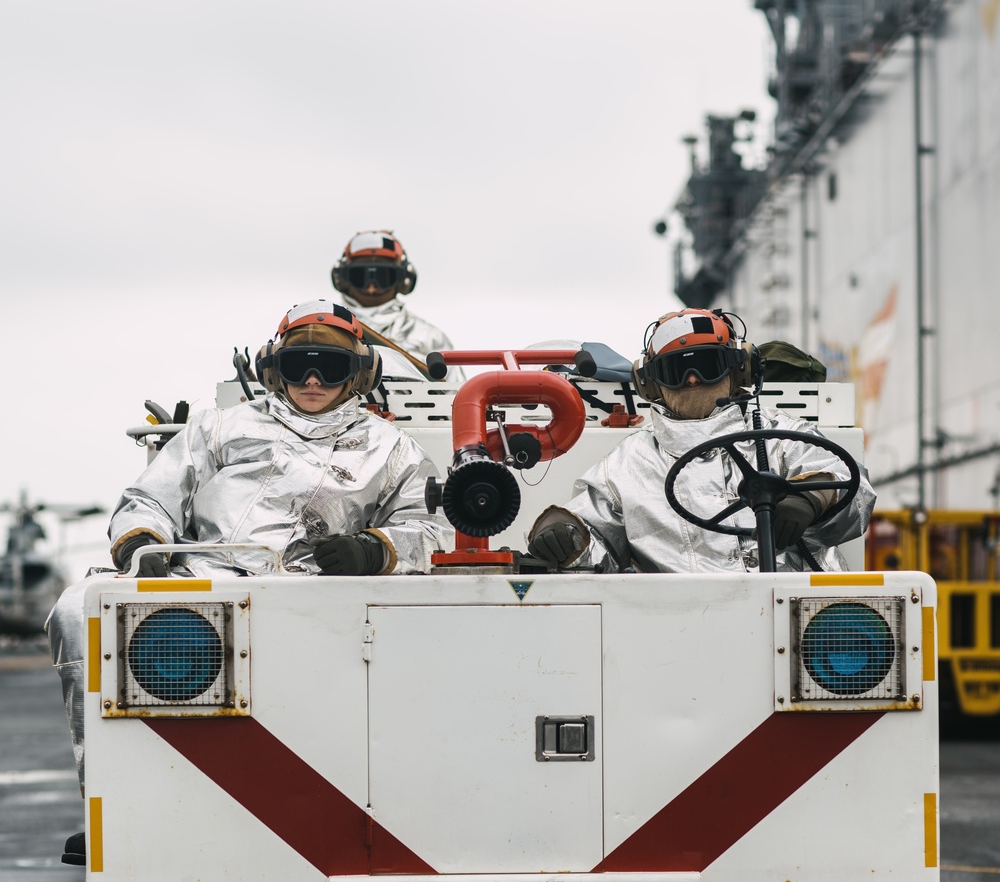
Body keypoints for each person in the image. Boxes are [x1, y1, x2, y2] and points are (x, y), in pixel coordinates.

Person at [48, 300, 447, 788]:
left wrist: (373, 550)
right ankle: (109, 794)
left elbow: (431, 529)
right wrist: (142, 548)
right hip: (198, 580)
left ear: (361, 374)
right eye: (299, 366)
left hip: (313, 592)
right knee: (77, 609)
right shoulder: (219, 426)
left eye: (331, 366)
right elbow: (151, 496)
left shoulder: (393, 449)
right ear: (273, 370)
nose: (314, 380)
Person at [526, 310, 874, 575]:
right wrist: (567, 535)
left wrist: (811, 499)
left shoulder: (785, 437)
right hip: (683, 632)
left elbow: (851, 491)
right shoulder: (624, 467)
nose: (692, 379)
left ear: (739, 371)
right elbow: (597, 548)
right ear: (651, 385)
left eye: (708, 365)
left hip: (805, 626)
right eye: (675, 370)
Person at [331, 229, 463, 378]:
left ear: (403, 280)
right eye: (360, 276)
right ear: (342, 279)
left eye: (383, 277)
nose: (371, 288)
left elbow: (456, 394)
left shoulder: (430, 338)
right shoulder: (325, 330)